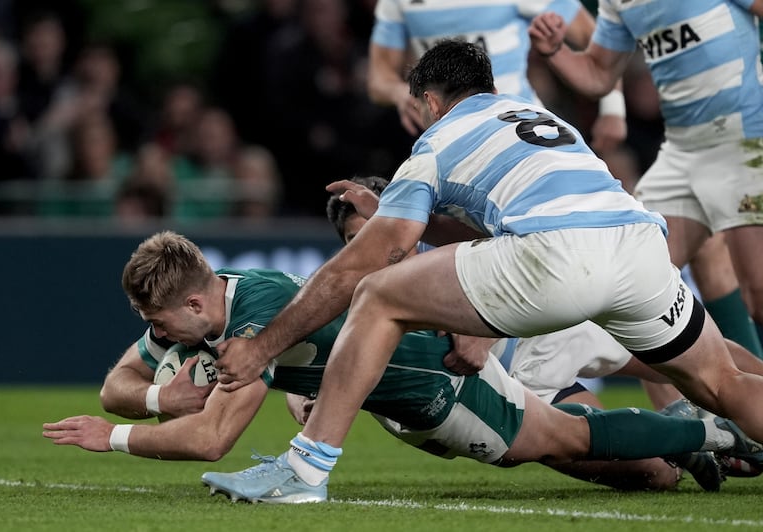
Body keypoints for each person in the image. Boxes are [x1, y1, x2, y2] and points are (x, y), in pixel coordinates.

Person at [207, 39, 763, 503]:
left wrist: (261, 349)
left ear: (428, 99)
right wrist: (403, 223)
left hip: (557, 256)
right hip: (639, 244)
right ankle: (702, 431)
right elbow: (489, 225)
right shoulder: (537, 114)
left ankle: (304, 472)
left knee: (377, 295)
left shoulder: (436, 141)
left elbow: (374, 256)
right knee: (724, 382)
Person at [42, 231, 758, 498]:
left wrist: (112, 438)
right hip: (402, 389)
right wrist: (163, 402)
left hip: (432, 383)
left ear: (196, 306)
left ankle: (707, 433)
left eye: (157, 323)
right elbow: (118, 385)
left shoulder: (253, 315)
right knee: (564, 436)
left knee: (562, 441)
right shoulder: (204, 314)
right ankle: (699, 430)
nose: (153, 335)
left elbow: (212, 440)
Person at [528, 1, 763, 354]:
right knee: (634, 291)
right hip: (681, 152)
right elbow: (598, 73)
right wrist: (556, 51)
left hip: (743, 137)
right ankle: (709, 405)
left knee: (758, 292)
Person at [367, 0, 626, 153]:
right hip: (446, 139)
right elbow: (378, 79)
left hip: (521, 129)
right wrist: (400, 93)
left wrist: (613, 109)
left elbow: (591, 37)